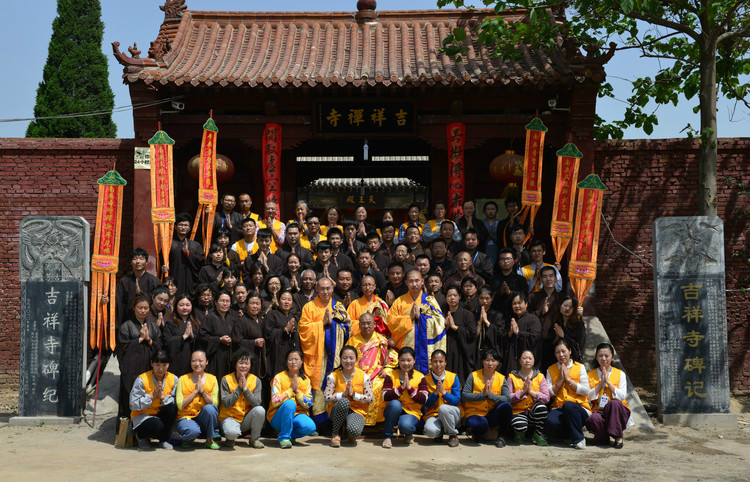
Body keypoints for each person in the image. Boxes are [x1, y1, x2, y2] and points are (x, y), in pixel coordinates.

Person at [298, 277, 352, 426]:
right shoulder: (309, 307)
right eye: (322, 288)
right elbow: (303, 329)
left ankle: (334, 421)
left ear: (332, 289)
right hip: (317, 355)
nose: (325, 291)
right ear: (316, 289)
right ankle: (319, 422)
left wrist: (334, 325)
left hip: (334, 355)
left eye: (328, 288)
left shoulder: (338, 306)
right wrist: (321, 324)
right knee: (318, 388)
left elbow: (348, 328)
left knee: (334, 385)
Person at [387, 270, 446, 375]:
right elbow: (391, 323)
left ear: (422, 282)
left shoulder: (429, 300)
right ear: (406, 283)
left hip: (426, 349)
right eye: (411, 281)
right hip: (407, 348)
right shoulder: (399, 302)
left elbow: (440, 322)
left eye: (417, 281)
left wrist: (421, 318)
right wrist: (409, 318)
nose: (414, 284)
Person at [117, 295, 163, 418]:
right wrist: (139, 339)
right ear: (134, 308)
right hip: (131, 368)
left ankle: (147, 426)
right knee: (130, 395)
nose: (143, 311)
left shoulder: (153, 326)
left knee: (148, 394)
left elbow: (160, 346)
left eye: (146, 308)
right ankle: (127, 427)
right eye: (140, 308)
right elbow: (122, 348)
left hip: (148, 366)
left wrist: (148, 339)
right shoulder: (126, 326)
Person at [324, 345, 374, 447]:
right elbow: (326, 397)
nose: (348, 361)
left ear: (356, 359)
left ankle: (350, 434)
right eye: (345, 358)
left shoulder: (363, 376)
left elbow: (370, 398)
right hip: (337, 410)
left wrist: (354, 395)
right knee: (344, 401)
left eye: (351, 358)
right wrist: (343, 394)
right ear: (340, 359)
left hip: (357, 410)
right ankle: (335, 433)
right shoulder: (333, 376)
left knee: (354, 430)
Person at [545, 339, 591, 449]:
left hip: (579, 408)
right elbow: (548, 394)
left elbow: (586, 391)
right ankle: (571, 433)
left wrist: (569, 380)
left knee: (569, 405)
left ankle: (579, 439)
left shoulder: (580, 367)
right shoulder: (551, 369)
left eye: (563, 351)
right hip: (558, 408)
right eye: (557, 352)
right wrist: (561, 380)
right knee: (550, 423)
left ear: (570, 351)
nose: (561, 355)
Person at [461, 348, 512, 447]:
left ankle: (501, 437)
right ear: (482, 361)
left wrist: (490, 396)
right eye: (487, 360)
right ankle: (480, 433)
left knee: (506, 406)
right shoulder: (473, 376)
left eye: (493, 360)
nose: (490, 363)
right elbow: (464, 396)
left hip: (492, 414)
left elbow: (507, 398)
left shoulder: (501, 378)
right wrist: (482, 395)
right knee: (481, 424)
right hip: (475, 413)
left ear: (498, 362)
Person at [585, 343, 633, 448]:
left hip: (617, 411)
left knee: (613, 403)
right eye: (600, 355)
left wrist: (609, 383)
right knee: (594, 419)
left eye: (606, 356)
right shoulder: (590, 375)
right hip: (599, 410)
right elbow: (589, 397)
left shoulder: (620, 374)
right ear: (596, 357)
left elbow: (621, 396)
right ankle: (604, 436)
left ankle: (618, 436)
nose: (603, 358)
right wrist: (601, 382)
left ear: (612, 357)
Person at [129, 350, 178, 450]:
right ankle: (141, 436)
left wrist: (162, 397)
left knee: (172, 408)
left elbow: (176, 400)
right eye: (157, 365)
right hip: (143, 416)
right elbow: (133, 404)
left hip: (159, 413)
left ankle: (163, 440)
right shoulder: (142, 379)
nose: (161, 369)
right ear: (152, 363)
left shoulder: (174, 379)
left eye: (164, 365)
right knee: (157, 425)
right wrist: (151, 396)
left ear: (168, 365)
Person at [267, 349, 316, 448]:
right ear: (286, 362)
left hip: (297, 415)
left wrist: (297, 391)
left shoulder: (305, 380)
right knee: (290, 403)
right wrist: (290, 390)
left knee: (311, 427)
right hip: (277, 416)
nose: (293, 362)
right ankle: (284, 437)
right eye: (290, 360)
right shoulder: (279, 377)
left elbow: (308, 403)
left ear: (302, 362)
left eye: (296, 359)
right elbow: (275, 401)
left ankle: (291, 435)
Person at [381, 346, 428, 448]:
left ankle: (407, 433)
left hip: (412, 411)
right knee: (395, 404)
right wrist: (401, 388)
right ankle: (387, 436)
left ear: (414, 361)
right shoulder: (391, 375)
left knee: (405, 426)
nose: (406, 363)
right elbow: (385, 396)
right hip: (394, 410)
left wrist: (410, 388)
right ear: (398, 361)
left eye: (409, 360)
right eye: (402, 360)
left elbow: (424, 399)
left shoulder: (420, 377)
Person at [218, 348, 266, 448]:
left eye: (246, 363)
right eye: (241, 363)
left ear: (250, 365)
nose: (244, 366)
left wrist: (245, 389)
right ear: (235, 364)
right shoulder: (226, 379)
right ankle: (230, 437)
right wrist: (239, 388)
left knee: (260, 410)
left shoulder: (256, 380)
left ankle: (254, 439)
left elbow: (257, 404)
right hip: (229, 417)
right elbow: (226, 403)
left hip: (245, 420)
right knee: (232, 433)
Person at [176, 350, 220, 449]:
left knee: (210, 409)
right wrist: (195, 391)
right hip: (186, 416)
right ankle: (187, 438)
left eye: (200, 361)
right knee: (193, 431)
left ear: (206, 362)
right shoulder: (182, 379)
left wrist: (203, 392)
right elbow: (180, 405)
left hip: (202, 417)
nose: (197, 364)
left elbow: (215, 403)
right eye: (194, 361)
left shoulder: (212, 379)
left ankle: (209, 440)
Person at [507, 349, 549, 445]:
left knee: (541, 407)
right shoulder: (512, 376)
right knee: (519, 425)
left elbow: (546, 398)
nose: (527, 360)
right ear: (520, 361)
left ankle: (537, 434)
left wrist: (530, 391)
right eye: (524, 358)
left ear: (534, 361)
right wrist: (522, 392)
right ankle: (519, 434)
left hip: (533, 412)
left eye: (530, 358)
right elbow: (507, 397)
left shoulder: (540, 376)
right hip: (518, 411)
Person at [422, 350, 462, 447]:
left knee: (443, 408)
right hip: (434, 414)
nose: (438, 364)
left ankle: (453, 435)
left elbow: (456, 401)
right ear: (431, 363)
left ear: (445, 362)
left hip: (452, 413)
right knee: (429, 431)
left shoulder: (453, 377)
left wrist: (444, 393)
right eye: (435, 361)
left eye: (441, 361)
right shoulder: (425, 379)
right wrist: (435, 393)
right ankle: (439, 433)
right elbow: (426, 403)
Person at [115, 247, 160, 329]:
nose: (138, 262)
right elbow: (118, 301)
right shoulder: (124, 281)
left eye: (141, 259)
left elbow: (158, 301)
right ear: (131, 262)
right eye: (135, 259)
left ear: (146, 262)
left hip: (149, 322)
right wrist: (108, 301)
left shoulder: (154, 281)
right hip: (128, 321)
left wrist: (141, 293)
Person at [199, 290, 238, 380]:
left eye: (227, 301)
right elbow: (202, 337)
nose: (225, 304)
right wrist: (219, 339)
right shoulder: (209, 318)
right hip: (215, 357)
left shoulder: (233, 318)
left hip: (229, 356)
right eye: (222, 301)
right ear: (215, 302)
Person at [164, 213, 205, 298]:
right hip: (174, 281)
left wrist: (188, 254)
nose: (183, 227)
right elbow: (161, 260)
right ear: (175, 227)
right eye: (181, 225)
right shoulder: (168, 244)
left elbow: (201, 262)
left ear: (189, 228)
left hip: (191, 282)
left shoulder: (195, 245)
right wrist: (163, 267)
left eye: (186, 225)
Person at [443, 286, 477, 383]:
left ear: (460, 297)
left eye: (455, 295)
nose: (452, 298)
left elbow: (472, 334)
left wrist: (455, 327)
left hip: (462, 353)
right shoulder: (442, 314)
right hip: (447, 351)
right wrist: (445, 327)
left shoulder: (467, 314)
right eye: (449, 295)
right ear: (445, 298)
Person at [265, 289, 300, 376]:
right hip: (277, 353)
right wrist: (284, 330)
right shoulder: (272, 314)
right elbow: (267, 334)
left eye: (289, 300)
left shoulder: (294, 317)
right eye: (283, 299)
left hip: (291, 353)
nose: (286, 302)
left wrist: (293, 332)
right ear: (278, 300)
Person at [163, 293, 200, 377]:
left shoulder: (196, 323)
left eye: (187, 305)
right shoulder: (170, 323)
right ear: (176, 306)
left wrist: (193, 337)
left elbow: (202, 342)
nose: (185, 308)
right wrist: (183, 337)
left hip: (191, 359)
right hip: (175, 360)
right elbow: (166, 342)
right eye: (181, 305)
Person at [505, 291, 542, 374]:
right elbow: (503, 342)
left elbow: (534, 337)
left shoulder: (533, 319)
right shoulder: (510, 320)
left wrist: (518, 333)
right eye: (514, 304)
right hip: (512, 359)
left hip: (527, 361)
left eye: (519, 303)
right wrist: (510, 333)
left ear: (526, 304)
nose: (517, 306)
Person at [232, 292, 266, 377]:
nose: (255, 306)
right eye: (252, 303)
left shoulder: (263, 321)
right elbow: (237, 341)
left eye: (257, 304)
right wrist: (253, 342)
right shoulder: (241, 321)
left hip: (261, 359)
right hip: (247, 360)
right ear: (246, 305)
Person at [490, 247, 528, 321]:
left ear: (513, 261)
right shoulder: (493, 279)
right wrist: (500, 293)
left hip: (516, 315)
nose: (506, 261)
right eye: (502, 259)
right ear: (498, 262)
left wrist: (511, 293)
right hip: (497, 315)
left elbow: (524, 296)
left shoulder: (520, 279)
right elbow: (489, 297)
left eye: (508, 259)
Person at [476, 287, 506, 366]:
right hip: (477, 352)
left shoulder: (497, 315)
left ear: (492, 298)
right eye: (481, 298)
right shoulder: (474, 314)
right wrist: (480, 322)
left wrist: (486, 321)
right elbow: (473, 334)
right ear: (477, 298)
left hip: (492, 352)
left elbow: (500, 334)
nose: (484, 301)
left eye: (487, 298)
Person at [482, 201, 500, 266]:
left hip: (497, 248)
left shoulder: (500, 222)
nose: (490, 211)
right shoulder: (481, 223)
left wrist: (493, 237)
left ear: (496, 211)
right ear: (485, 211)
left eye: (493, 209)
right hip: (485, 248)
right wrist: (488, 237)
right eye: (488, 209)